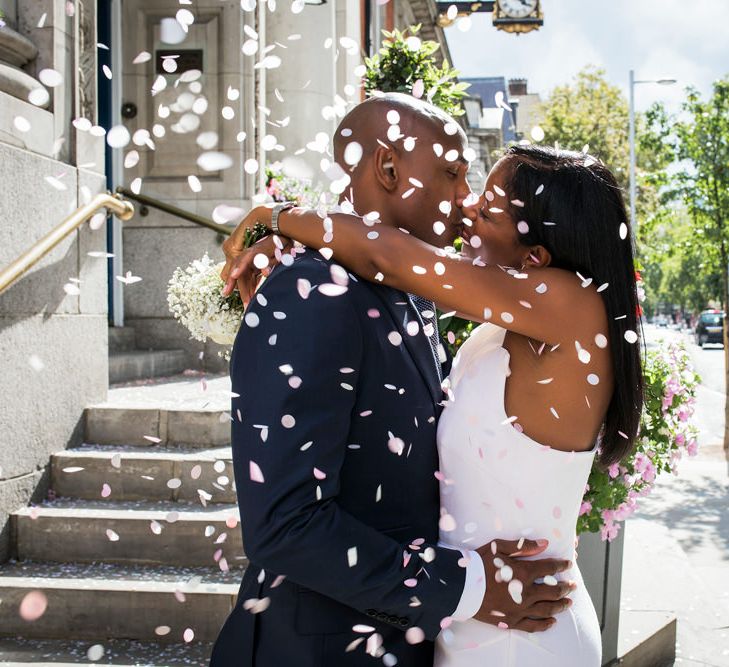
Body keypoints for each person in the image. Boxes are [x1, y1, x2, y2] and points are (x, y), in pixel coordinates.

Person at [222, 141, 644, 666]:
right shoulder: (518, 321)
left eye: (487, 209)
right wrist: (297, 258)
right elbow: (383, 272)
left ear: (535, 259)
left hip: (520, 631)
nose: (465, 207)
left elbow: (390, 259)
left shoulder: (571, 304)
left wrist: (278, 217)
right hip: (475, 612)